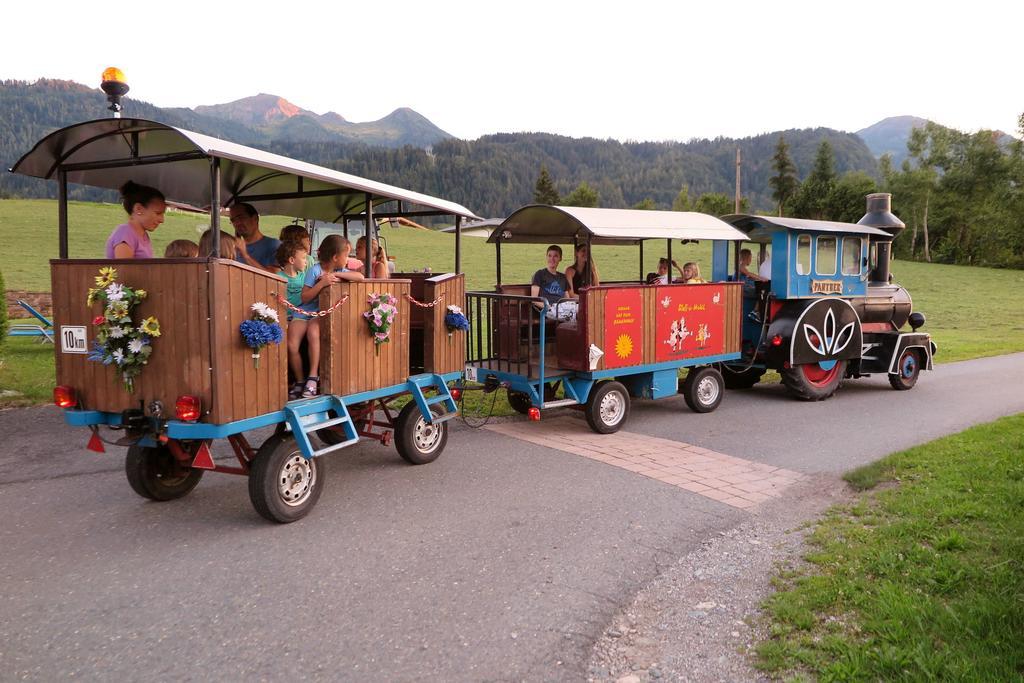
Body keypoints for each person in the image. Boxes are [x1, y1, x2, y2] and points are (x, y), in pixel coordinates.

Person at [299, 235, 365, 397]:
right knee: (313, 331)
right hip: (315, 312)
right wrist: (322, 283)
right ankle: (313, 376)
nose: (348, 259)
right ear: (335, 257)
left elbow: (360, 277)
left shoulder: (340, 271)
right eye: (347, 255)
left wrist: (339, 276)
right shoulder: (315, 270)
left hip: (334, 314)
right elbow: (305, 297)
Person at [276, 240, 317, 400]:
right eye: (304, 258)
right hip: (287, 318)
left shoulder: (305, 278)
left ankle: (309, 378)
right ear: (292, 260)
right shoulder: (278, 278)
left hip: (304, 316)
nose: (306, 262)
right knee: (292, 346)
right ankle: (300, 380)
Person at [106, 181, 165, 258]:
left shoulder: (143, 236)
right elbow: (125, 269)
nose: (162, 220)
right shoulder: (125, 233)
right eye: (158, 213)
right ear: (138, 209)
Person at [229, 203, 280, 271]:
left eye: (241, 218)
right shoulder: (233, 248)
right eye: (233, 220)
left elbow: (274, 277)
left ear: (255, 218)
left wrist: (246, 256)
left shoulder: (275, 245)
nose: (237, 223)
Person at [531, 245, 576, 321]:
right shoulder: (540, 274)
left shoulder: (562, 277)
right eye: (549, 256)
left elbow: (567, 298)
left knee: (581, 311)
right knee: (573, 315)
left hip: (562, 307)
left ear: (560, 258)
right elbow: (534, 299)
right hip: (548, 308)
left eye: (555, 256)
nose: (552, 259)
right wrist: (548, 307)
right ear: (546, 257)